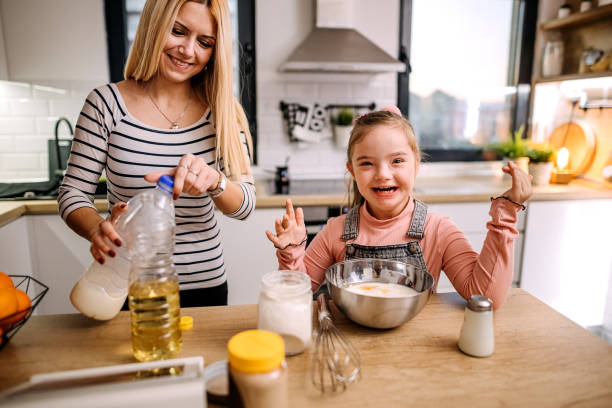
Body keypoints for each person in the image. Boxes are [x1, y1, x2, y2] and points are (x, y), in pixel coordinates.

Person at [58, 0, 255, 307]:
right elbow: (72, 192)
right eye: (178, 31)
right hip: (130, 285)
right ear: (154, 25)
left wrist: (214, 181)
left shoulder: (224, 114)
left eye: (205, 42)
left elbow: (245, 204)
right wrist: (98, 229)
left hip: (206, 286)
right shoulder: (105, 104)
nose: (188, 51)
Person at [265, 107, 533, 309]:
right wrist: (291, 253)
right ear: (353, 171)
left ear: (416, 165)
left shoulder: (437, 230)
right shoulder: (335, 231)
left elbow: (485, 296)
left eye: (397, 161)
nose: (382, 174)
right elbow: (294, 297)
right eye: (367, 163)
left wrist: (505, 218)